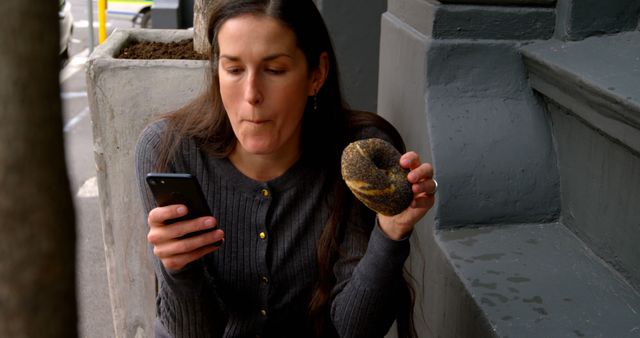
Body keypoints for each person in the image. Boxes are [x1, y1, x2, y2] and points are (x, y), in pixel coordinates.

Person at [135, 1, 436, 337]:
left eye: (275, 70)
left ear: (316, 74)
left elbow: (355, 331)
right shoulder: (168, 150)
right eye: (233, 69)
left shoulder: (356, 154)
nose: (251, 95)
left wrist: (390, 234)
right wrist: (178, 270)